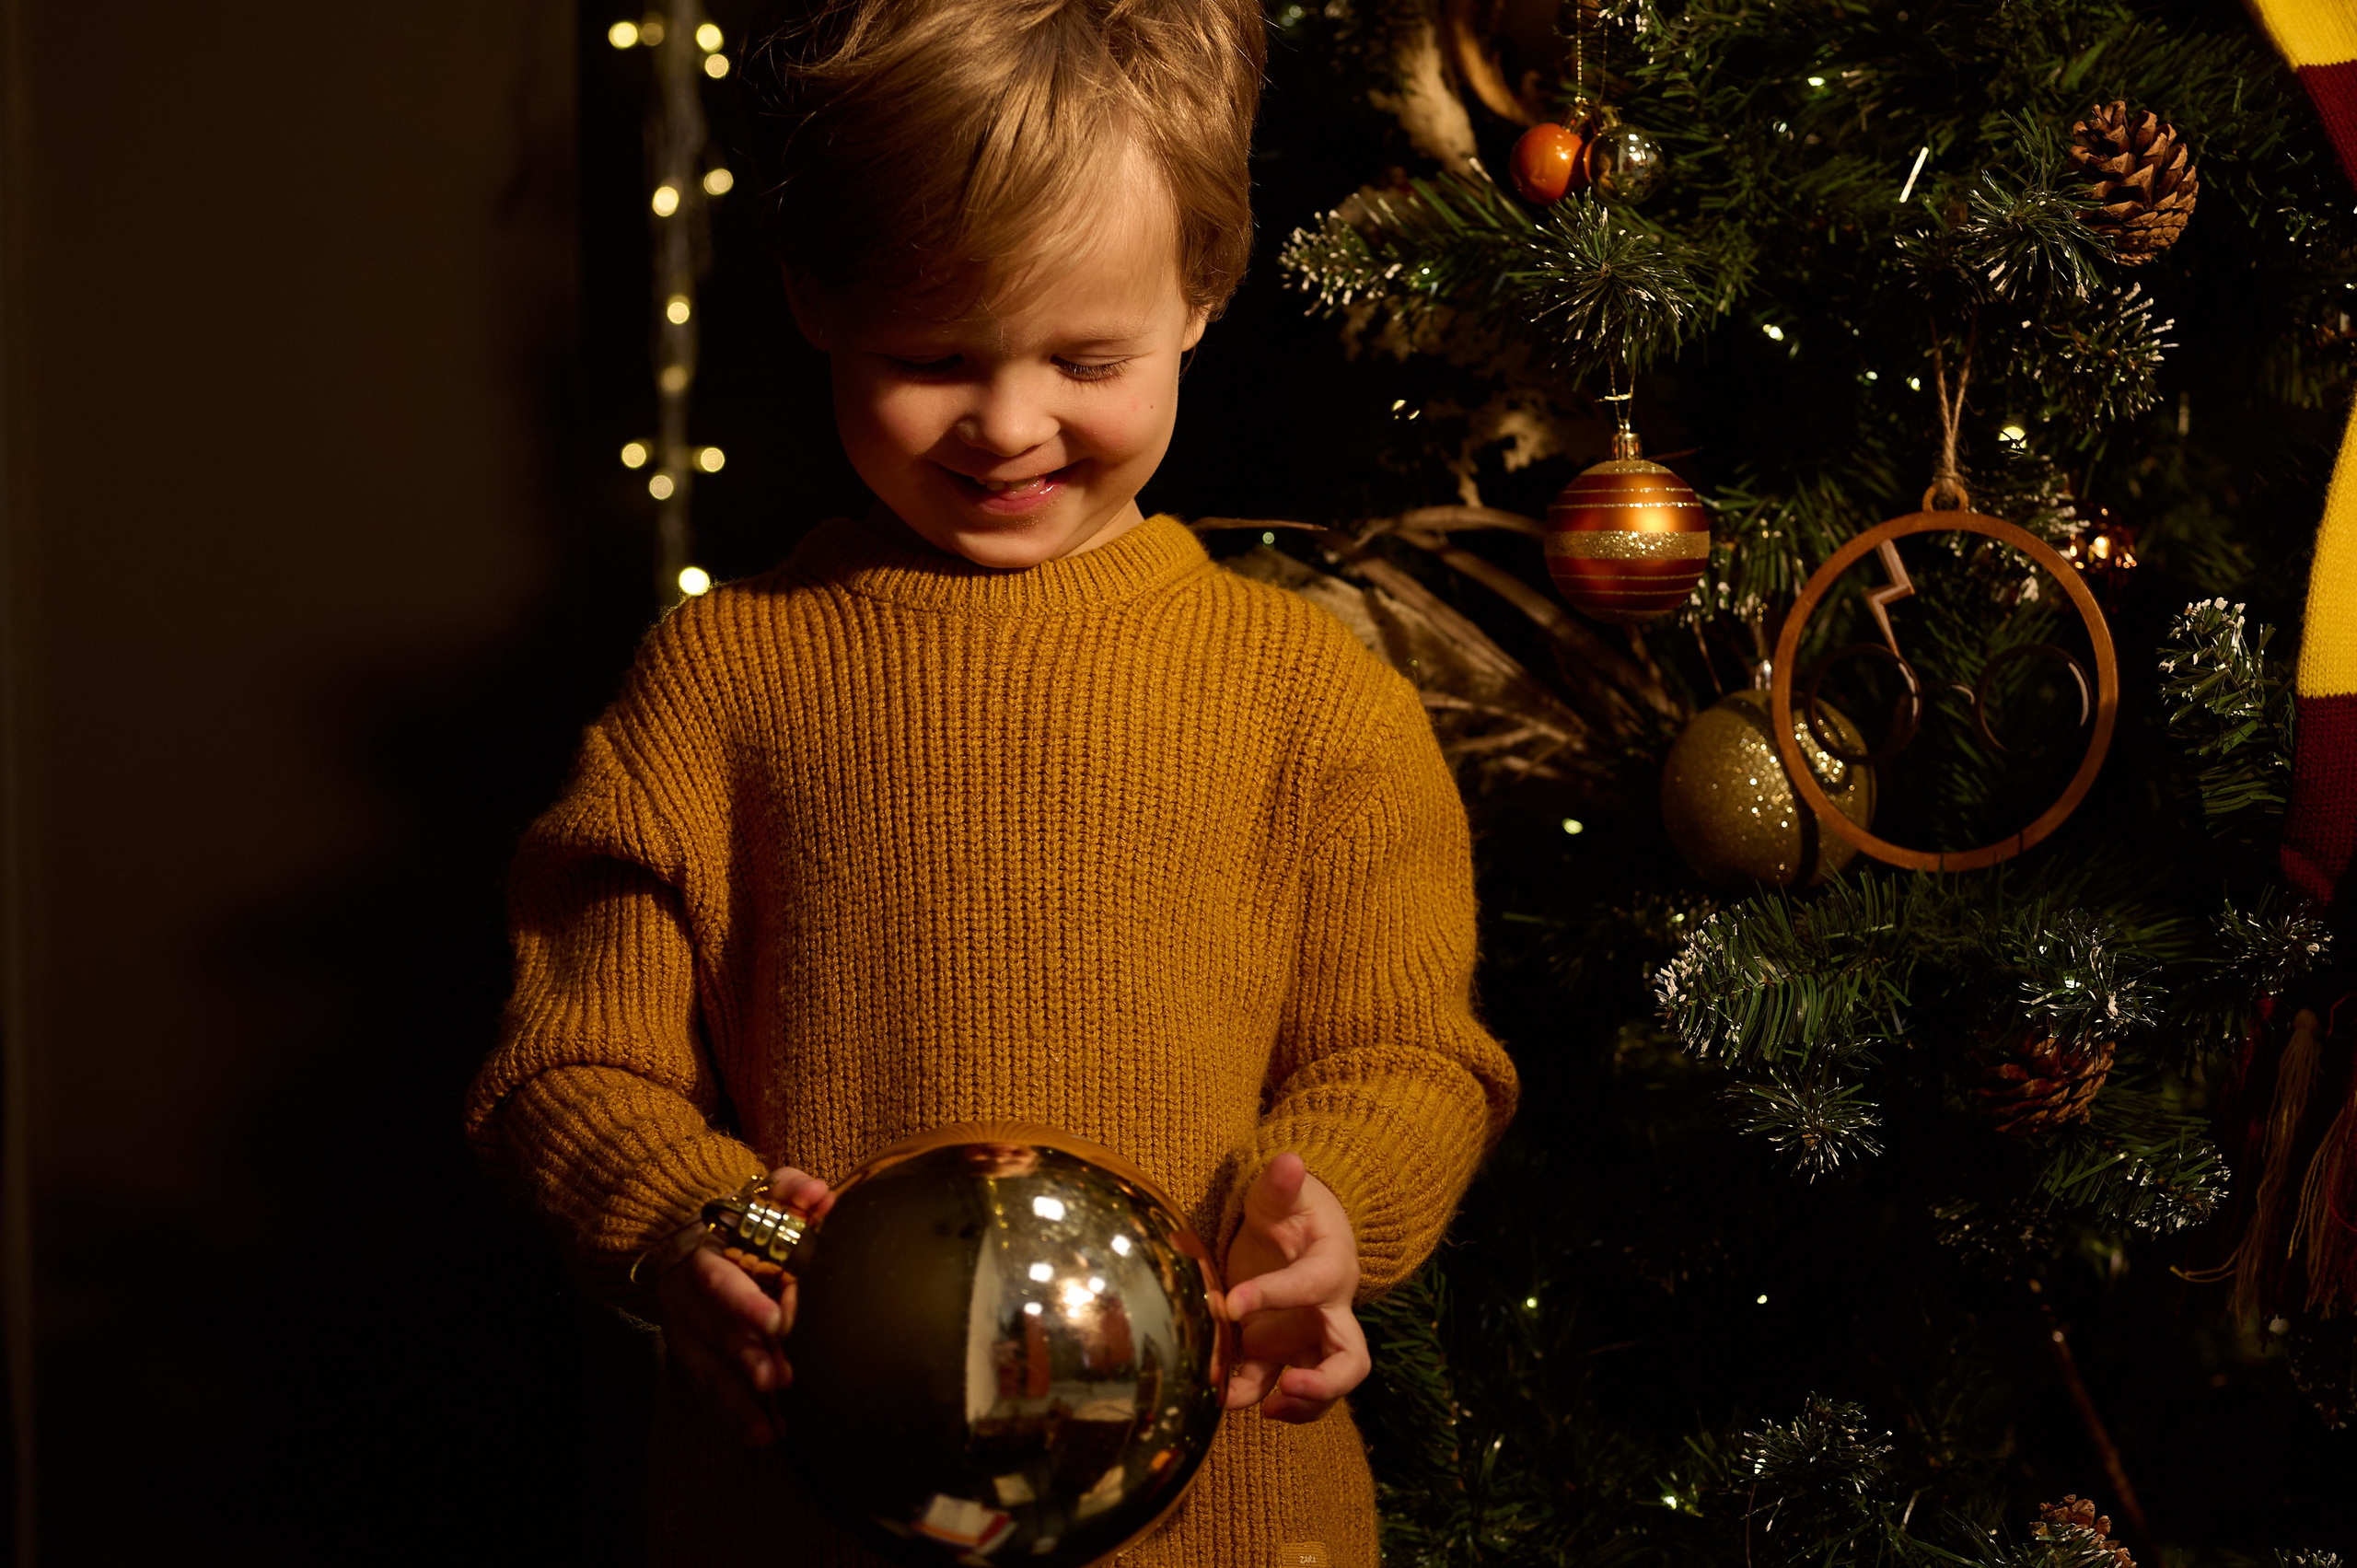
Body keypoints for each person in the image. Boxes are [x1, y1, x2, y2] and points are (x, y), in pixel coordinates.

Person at [463, 0, 1518, 1561]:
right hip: (792, 1512)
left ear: (1204, 293)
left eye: (1087, 357)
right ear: (814, 297)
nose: (1010, 423)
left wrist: (1332, 1212)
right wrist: (697, 1224)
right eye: (932, 356)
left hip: (1226, 1515)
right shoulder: (724, 680)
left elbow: (1406, 1052)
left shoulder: (1314, 703)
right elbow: (576, 1063)